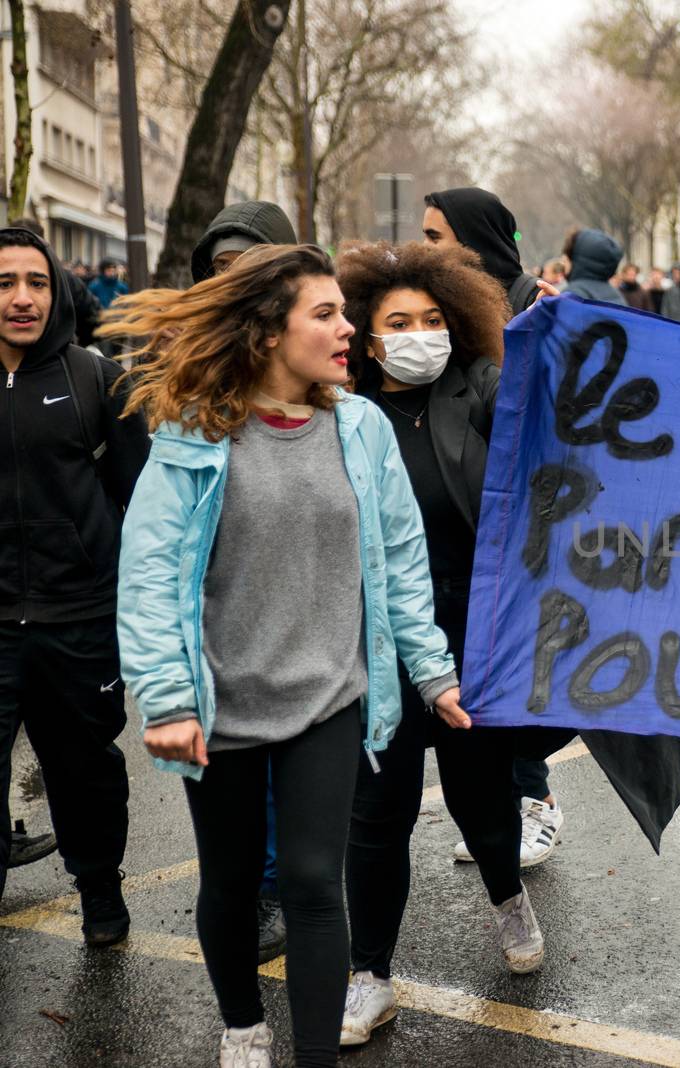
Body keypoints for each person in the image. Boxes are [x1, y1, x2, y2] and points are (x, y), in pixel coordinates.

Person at [106, 244, 467, 1068]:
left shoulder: (361, 426)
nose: (349, 329)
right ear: (271, 331)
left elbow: (401, 560)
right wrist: (166, 700)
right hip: (223, 699)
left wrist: (431, 672)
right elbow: (151, 572)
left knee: (312, 884)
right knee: (230, 886)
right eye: (328, 314)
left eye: (345, 313)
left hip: (330, 694)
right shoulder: (196, 432)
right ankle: (241, 1026)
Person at [331, 241, 550, 1046]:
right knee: (377, 810)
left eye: (432, 319)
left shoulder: (482, 389)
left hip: (475, 637)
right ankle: (370, 973)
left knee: (480, 798)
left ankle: (506, 896)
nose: (420, 333)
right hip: (376, 640)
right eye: (399, 322)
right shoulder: (343, 411)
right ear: (368, 334)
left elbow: (550, 415)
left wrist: (557, 333)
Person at [0, 227, 145, 943]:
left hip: (80, 619)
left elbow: (140, 500)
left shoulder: (93, 378)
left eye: (37, 281)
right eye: (4, 282)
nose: (22, 297)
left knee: (86, 772)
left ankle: (100, 888)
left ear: (56, 290)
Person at [191, 198, 302, 966]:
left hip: (310, 613)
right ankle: (256, 889)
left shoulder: (329, 363)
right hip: (223, 618)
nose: (232, 285)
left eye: (248, 269)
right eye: (219, 271)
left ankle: (291, 885)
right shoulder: (184, 378)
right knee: (238, 778)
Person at [422, 187, 541, 314]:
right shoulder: (428, 298)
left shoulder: (533, 300)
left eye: (434, 237)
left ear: (470, 239)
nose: (424, 246)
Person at [9, 217, 99, 348]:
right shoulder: (67, 279)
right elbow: (93, 317)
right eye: (6, 284)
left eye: (37, 284)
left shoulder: (66, 280)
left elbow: (92, 317)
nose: (23, 300)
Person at [192, 201, 297, 283]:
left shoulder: (304, 310)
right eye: (223, 266)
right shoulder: (190, 309)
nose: (231, 278)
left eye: (246, 266)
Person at [561, 228, 626, 305]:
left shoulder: (574, 294)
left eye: (568, 254)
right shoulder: (616, 294)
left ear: (575, 259)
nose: (563, 260)